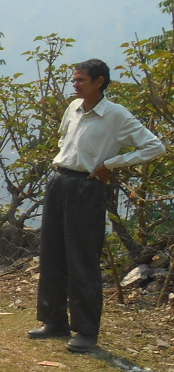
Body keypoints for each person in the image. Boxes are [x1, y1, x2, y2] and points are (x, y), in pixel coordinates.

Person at [28, 59, 165, 353]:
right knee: (52, 252)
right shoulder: (73, 109)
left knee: (82, 259)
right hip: (60, 181)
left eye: (81, 80)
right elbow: (66, 139)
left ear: (99, 82)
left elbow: (155, 146)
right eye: (74, 80)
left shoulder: (116, 115)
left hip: (86, 187)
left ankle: (86, 332)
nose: (75, 85)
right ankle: (54, 321)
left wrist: (112, 163)